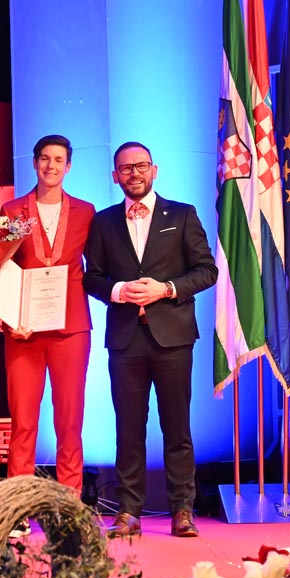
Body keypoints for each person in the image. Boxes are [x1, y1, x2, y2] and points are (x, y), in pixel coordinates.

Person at [83, 142, 217, 538]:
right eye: (126, 168)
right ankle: (128, 511)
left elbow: (206, 270)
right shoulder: (103, 222)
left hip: (173, 337)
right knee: (128, 428)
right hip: (125, 340)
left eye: (141, 166)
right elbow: (92, 277)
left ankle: (182, 511)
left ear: (154, 170)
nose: (134, 173)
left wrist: (167, 289)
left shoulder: (182, 214)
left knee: (177, 428)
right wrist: (119, 290)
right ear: (115, 176)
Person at [0, 135, 94, 499]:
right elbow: (2, 267)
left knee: (69, 422)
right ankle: (17, 506)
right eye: (44, 158)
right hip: (23, 328)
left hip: (71, 329)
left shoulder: (86, 211)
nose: (50, 166)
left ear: (68, 167)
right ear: (34, 163)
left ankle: (69, 503)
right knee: (23, 422)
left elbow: (97, 266)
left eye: (58, 160)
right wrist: (11, 316)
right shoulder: (11, 210)